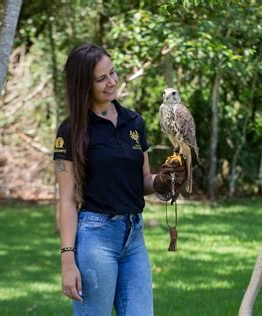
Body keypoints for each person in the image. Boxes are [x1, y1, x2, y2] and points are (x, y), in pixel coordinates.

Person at [53, 43, 187, 316]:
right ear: (82, 84)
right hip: (95, 237)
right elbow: (66, 199)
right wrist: (68, 259)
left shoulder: (133, 122)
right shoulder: (71, 130)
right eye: (101, 78)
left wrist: (164, 182)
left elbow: (143, 181)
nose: (112, 82)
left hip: (134, 238)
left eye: (112, 73)